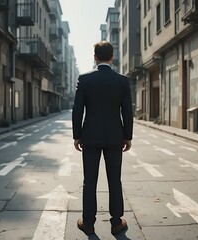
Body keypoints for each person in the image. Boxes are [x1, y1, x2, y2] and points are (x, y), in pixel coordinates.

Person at [72, 41, 133, 236]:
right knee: (114, 179)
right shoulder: (122, 81)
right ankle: (116, 223)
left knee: (90, 180)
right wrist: (127, 136)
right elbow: (128, 112)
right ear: (112, 57)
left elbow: (77, 110)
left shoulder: (85, 79)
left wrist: (77, 136)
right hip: (115, 138)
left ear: (95, 57)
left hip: (89, 137)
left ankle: (88, 223)